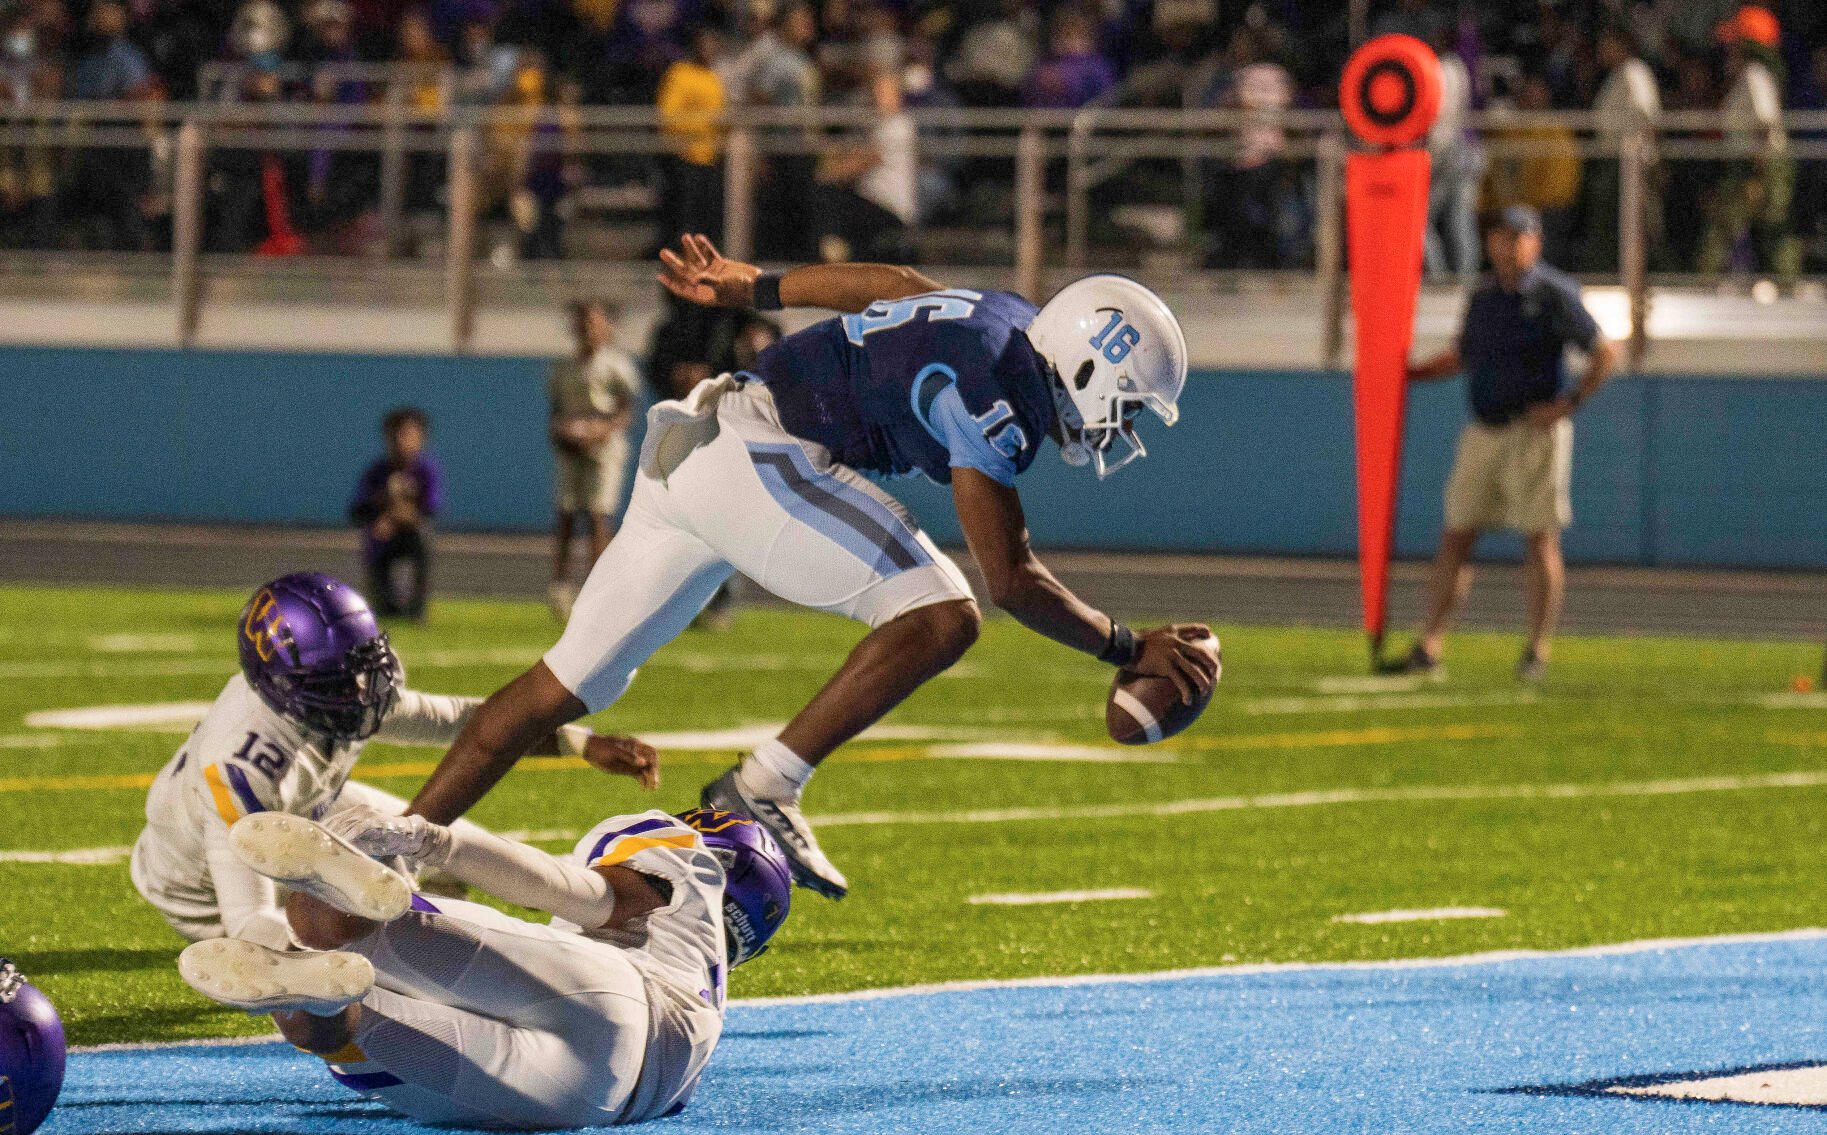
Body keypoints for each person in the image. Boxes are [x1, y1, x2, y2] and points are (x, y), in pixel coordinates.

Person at [394, 234, 1220, 902]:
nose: (1120, 428)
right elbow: (1011, 578)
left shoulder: (1005, 317)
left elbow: (890, 282)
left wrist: (756, 283)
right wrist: (1124, 645)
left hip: (697, 442)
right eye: (1127, 404)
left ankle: (387, 849)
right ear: (1088, 363)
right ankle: (766, 783)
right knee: (943, 614)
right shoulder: (998, 393)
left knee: (556, 687)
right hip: (758, 455)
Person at [176, 802, 789, 1127]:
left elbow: (572, 893)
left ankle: (301, 942)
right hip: (593, 1101)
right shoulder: (710, 996)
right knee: (336, 1029)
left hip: (617, 996)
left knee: (321, 920)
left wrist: (431, 838)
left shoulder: (690, 863)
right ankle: (320, 1006)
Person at [132, 573, 657, 952]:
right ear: (286, 690)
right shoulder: (241, 766)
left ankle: (564, 913)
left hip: (305, 809)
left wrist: (579, 743)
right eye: (346, 682)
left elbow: (457, 720)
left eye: (366, 668)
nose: (365, 691)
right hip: (200, 885)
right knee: (379, 921)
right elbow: (250, 919)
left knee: (440, 845)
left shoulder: (325, 692)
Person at [1389, 207, 1618, 683]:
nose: (1507, 245)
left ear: (1536, 243)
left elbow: (1603, 351)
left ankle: (1537, 648)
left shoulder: (1553, 293)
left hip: (1532, 432)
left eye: (1518, 236)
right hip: (1485, 429)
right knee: (1456, 535)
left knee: (1539, 539)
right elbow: (1463, 356)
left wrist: (1567, 403)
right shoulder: (1485, 296)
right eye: (1500, 236)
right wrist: (1406, 375)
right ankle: (1430, 644)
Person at [548, 299, 642, 620]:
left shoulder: (616, 365)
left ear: (606, 327)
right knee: (567, 513)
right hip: (572, 448)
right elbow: (555, 412)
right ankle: (560, 587)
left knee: (599, 516)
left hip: (604, 448)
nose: (588, 328)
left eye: (594, 322)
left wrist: (602, 430)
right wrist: (564, 433)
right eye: (583, 322)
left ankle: (597, 588)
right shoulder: (563, 367)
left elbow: (625, 411)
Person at [1584, 22, 1662, 274]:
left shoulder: (1633, 71)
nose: (1601, 49)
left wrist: (1643, 163)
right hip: (1613, 160)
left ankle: (1633, 274)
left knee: (1630, 223)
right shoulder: (1618, 74)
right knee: (1610, 224)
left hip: (1628, 162)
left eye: (1607, 43)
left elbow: (1645, 116)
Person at [349, 407, 440, 620]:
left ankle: (416, 610)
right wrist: (379, 507)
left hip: (411, 535)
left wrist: (394, 518)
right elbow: (357, 510)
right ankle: (386, 606)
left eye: (407, 434)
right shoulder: (377, 471)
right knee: (374, 540)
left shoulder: (426, 470)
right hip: (382, 538)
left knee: (424, 539)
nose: (400, 441)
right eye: (395, 434)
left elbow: (430, 509)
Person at [655, 21, 726, 249]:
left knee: (706, 225)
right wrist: (702, 124)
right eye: (705, 44)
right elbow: (668, 116)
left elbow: (720, 116)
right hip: (684, 159)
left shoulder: (713, 78)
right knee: (683, 225)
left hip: (710, 160)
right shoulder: (680, 73)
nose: (710, 49)